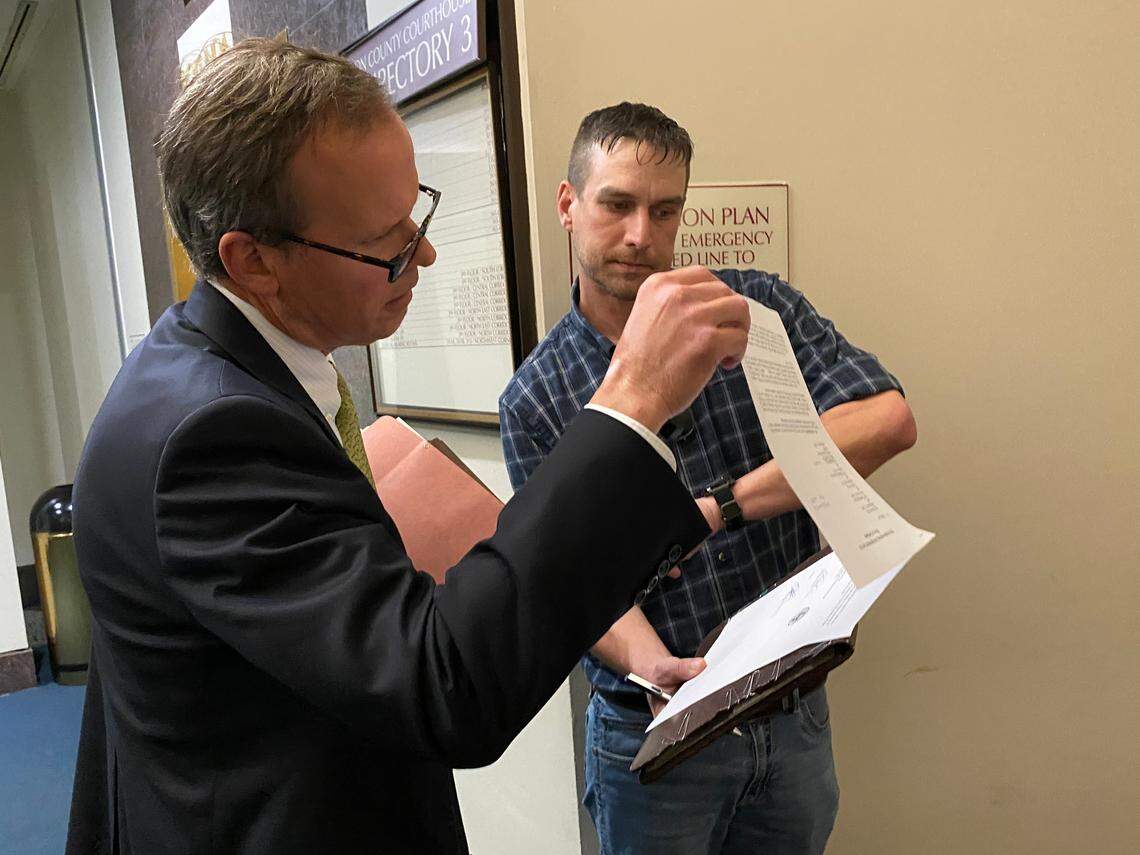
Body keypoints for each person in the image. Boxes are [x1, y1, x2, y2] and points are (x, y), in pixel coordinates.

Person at [65, 43, 752, 855]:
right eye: (385, 241)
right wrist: (632, 400)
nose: (422, 254)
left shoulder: (220, 370)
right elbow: (444, 689)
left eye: (416, 213)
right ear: (253, 261)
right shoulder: (207, 436)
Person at [499, 102, 918, 855]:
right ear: (568, 205)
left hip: (790, 710)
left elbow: (886, 422)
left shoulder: (749, 309)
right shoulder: (536, 396)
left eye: (664, 211)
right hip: (657, 729)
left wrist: (723, 504)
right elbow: (565, 577)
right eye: (617, 204)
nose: (640, 235)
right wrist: (646, 659)